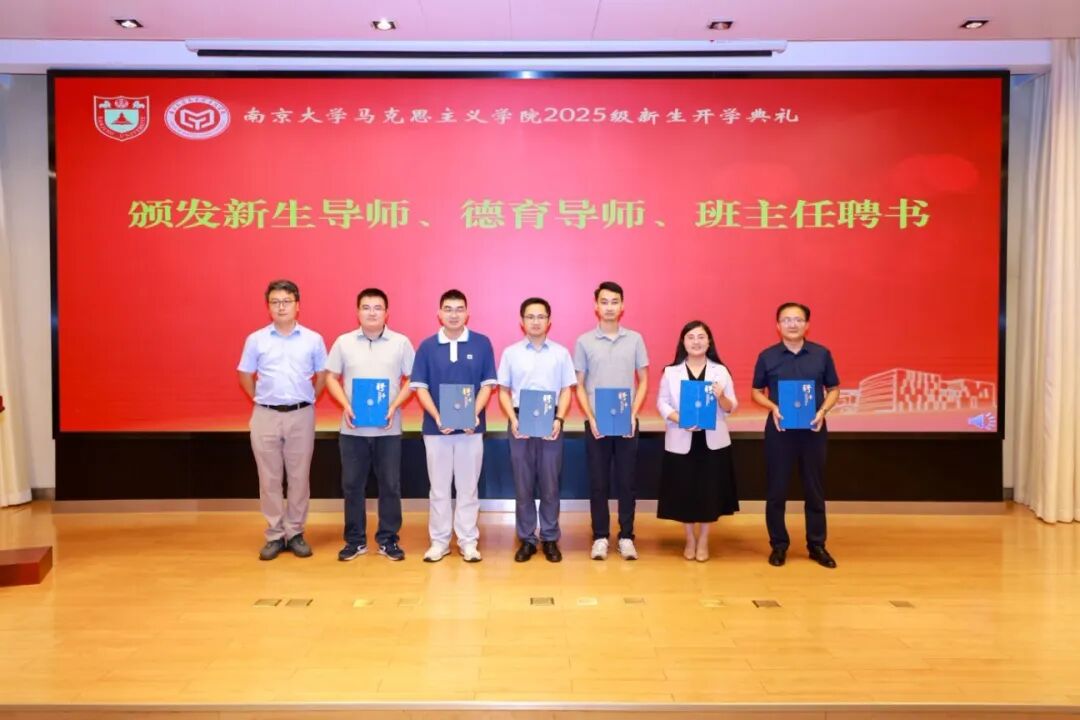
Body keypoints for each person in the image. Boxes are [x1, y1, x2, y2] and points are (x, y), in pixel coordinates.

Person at [237, 279, 327, 561]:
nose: (281, 307)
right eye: (275, 302)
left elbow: (323, 375)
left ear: (298, 305)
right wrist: (261, 399)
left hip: (301, 414)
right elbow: (245, 374)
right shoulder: (256, 339)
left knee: (299, 477)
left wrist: (308, 399)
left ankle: (296, 533)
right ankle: (275, 535)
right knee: (269, 478)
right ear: (268, 307)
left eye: (287, 301)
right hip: (265, 414)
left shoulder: (313, 339)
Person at [324, 288, 414, 562]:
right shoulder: (343, 342)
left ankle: (388, 540)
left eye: (377, 308)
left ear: (387, 313)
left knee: (390, 486)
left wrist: (394, 406)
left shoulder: (401, 343)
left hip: (388, 429)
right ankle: (355, 541)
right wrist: (345, 405)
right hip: (352, 429)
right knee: (352, 485)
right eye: (366, 307)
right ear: (358, 312)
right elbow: (330, 378)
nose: (372, 312)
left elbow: (413, 379)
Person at [409, 289, 497, 563]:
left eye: (459, 309)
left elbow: (487, 385)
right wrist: (437, 416)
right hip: (436, 430)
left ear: (467, 313)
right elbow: (420, 388)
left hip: (471, 430)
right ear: (439, 313)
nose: (454, 314)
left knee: (468, 488)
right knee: (439, 489)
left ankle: (468, 541)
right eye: (448, 309)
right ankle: (439, 542)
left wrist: (473, 414)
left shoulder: (482, 343)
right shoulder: (427, 346)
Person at [751, 302, 841, 569]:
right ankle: (779, 545)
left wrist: (823, 410)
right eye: (787, 320)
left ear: (807, 325)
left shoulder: (821, 354)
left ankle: (817, 545)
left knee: (814, 490)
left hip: (813, 430)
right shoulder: (767, 356)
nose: (792, 324)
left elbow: (834, 389)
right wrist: (772, 407)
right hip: (780, 431)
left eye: (798, 320)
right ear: (778, 326)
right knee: (776, 491)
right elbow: (756, 391)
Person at [573, 281, 649, 560]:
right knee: (599, 483)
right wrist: (590, 418)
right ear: (596, 306)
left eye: (614, 302)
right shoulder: (584, 341)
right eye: (604, 302)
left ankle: (626, 536)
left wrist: (633, 414)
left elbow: (643, 380)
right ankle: (600, 537)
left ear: (622, 306)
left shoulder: (635, 339)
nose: (609, 307)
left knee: (627, 482)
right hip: (597, 423)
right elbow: (579, 385)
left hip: (627, 422)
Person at [497, 297, 576, 563]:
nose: (535, 321)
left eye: (541, 316)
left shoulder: (561, 353)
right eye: (530, 317)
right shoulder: (511, 353)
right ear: (522, 321)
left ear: (549, 321)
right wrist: (512, 419)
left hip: (551, 420)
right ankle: (527, 539)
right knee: (524, 484)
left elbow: (566, 390)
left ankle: (550, 538)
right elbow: (503, 391)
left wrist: (559, 419)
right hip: (520, 420)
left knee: (551, 483)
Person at [656, 321, 739, 561]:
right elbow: (662, 402)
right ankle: (689, 538)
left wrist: (721, 396)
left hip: (712, 442)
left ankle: (703, 539)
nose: (696, 341)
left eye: (701, 337)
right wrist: (680, 418)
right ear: (683, 342)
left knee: (708, 492)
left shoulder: (720, 371)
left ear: (709, 342)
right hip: (682, 439)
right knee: (685, 492)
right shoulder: (671, 372)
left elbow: (731, 406)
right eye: (690, 337)